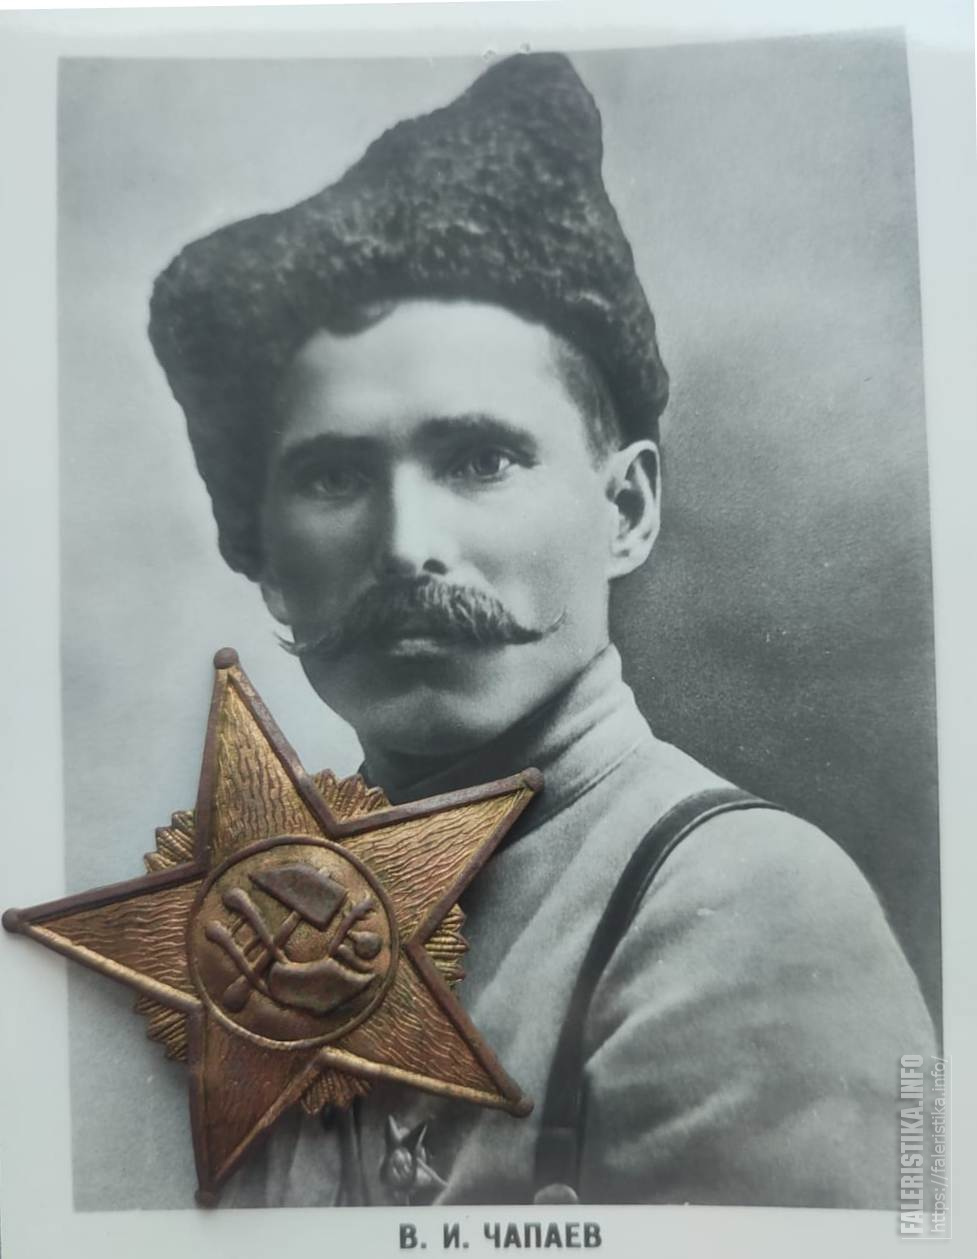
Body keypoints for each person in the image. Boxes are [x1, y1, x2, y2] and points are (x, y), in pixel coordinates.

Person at [149, 52, 935, 1207]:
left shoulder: (742, 913)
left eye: (480, 458)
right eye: (334, 476)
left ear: (624, 509)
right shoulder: (252, 936)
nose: (407, 544)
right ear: (265, 567)